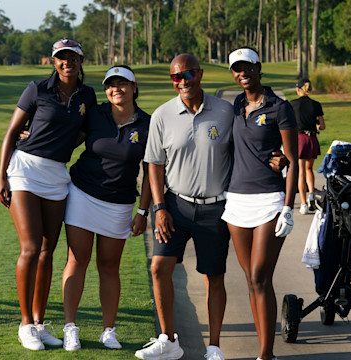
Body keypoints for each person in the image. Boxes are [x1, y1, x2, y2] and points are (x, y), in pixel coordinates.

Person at [0, 38, 96, 351]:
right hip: (24, 170)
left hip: (57, 176)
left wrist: (66, 144)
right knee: (29, 247)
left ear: (81, 62)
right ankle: (25, 324)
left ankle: (40, 323)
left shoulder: (87, 96)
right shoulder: (37, 89)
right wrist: (2, 177)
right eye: (61, 58)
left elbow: (86, 130)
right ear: (54, 62)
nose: (67, 63)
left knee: (47, 250)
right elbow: (13, 132)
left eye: (72, 58)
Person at [135, 54, 233, 360]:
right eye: (176, 77)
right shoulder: (163, 115)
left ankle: (214, 347)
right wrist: (158, 207)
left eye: (188, 74)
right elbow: (154, 164)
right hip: (175, 205)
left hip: (215, 209)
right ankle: (169, 340)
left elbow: (246, 148)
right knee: (159, 267)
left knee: (213, 277)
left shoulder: (225, 111)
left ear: (200, 74)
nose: (183, 82)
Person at [60, 65, 152, 351]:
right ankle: (70, 328)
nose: (116, 89)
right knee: (77, 260)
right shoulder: (96, 115)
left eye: (122, 84)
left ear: (134, 87)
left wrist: (143, 211)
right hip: (82, 193)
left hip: (120, 202)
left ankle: (108, 331)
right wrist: (29, 141)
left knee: (109, 267)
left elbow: (151, 171)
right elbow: (66, 142)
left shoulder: (147, 124)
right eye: (111, 85)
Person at [221, 47, 298, 360]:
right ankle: (264, 346)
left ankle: (266, 354)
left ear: (259, 68)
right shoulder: (236, 104)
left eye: (248, 68)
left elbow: (291, 161)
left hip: (269, 200)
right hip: (236, 201)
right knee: (252, 281)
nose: (243, 74)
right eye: (237, 69)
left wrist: (289, 207)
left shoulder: (280, 107)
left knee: (258, 276)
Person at [289, 78, 324, 214]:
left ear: (298, 90)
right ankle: (311, 197)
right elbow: (322, 126)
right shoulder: (316, 104)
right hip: (312, 139)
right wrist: (315, 125)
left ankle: (303, 204)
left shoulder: (292, 104)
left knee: (301, 172)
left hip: (300, 139)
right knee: (310, 169)